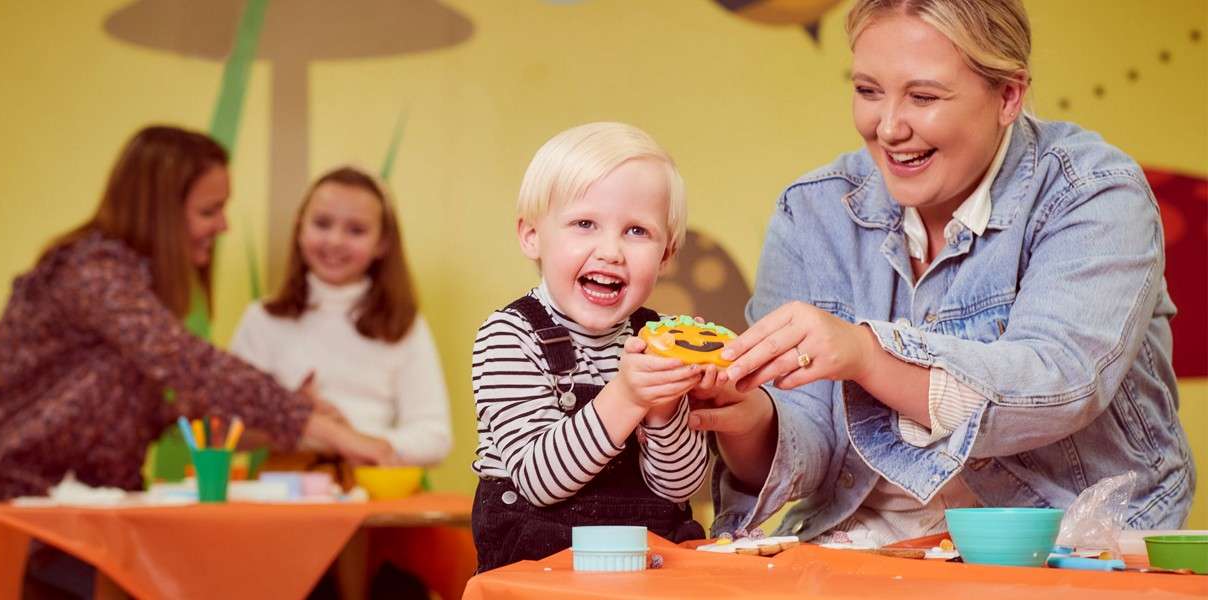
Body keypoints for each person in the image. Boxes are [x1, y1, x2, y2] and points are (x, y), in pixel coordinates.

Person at [690, 0, 1194, 547]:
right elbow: (808, 442)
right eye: (867, 91)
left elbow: (1060, 386)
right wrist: (744, 416)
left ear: (1008, 95)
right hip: (867, 542)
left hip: (1069, 536)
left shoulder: (1093, 193)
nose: (887, 127)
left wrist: (866, 354)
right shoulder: (813, 210)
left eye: (923, 97)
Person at [0, 126, 369, 563]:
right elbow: (185, 361)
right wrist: (306, 420)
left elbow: (162, 407)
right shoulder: (91, 273)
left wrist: (278, 425)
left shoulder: (137, 294)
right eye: (209, 211)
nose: (223, 225)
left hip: (69, 521)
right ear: (161, 212)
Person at [470, 122, 713, 571]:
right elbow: (539, 480)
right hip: (542, 567)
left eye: (637, 231)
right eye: (584, 224)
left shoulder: (659, 342)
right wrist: (627, 397)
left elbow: (679, 489)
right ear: (532, 236)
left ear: (666, 255)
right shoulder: (509, 336)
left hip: (646, 562)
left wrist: (662, 410)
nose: (611, 251)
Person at [229, 165, 452, 470]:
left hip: (369, 498)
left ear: (382, 243)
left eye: (356, 230)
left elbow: (435, 437)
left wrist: (355, 438)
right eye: (322, 223)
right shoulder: (262, 319)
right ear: (299, 228)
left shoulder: (403, 324)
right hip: (282, 494)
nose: (334, 241)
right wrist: (292, 417)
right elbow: (228, 432)